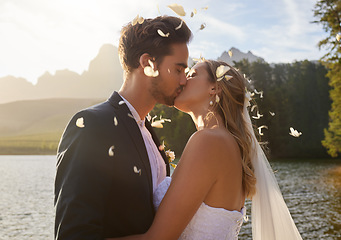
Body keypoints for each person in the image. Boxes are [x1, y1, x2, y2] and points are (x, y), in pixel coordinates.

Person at [109, 60, 303, 240]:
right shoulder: (224, 143)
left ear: (215, 87)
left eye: (192, 74)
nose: (183, 80)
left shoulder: (209, 141)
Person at [54, 16, 192, 239]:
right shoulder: (92, 126)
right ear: (148, 64)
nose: (184, 80)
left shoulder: (150, 134)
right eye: (178, 70)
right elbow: (73, 234)